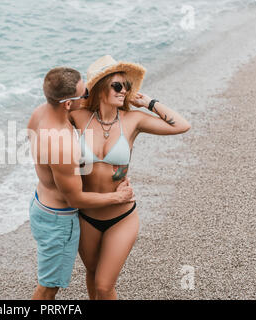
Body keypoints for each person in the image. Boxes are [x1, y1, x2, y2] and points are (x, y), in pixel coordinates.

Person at [70, 55, 191, 300]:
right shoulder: (79, 117)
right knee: (92, 275)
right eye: (117, 85)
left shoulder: (132, 120)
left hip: (121, 216)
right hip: (87, 215)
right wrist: (85, 94)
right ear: (101, 87)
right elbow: (52, 110)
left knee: (104, 285)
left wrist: (149, 102)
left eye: (127, 86)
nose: (124, 90)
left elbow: (181, 125)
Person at [27, 67, 136, 300]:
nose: (88, 95)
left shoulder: (40, 113)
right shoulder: (63, 145)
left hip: (40, 204)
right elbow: (74, 198)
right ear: (68, 103)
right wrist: (118, 197)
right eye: (84, 93)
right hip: (58, 220)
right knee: (48, 287)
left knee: (55, 281)